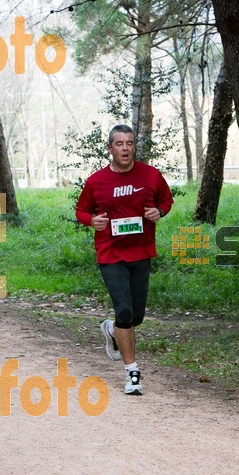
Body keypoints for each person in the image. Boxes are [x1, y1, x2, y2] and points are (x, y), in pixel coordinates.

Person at [75, 124, 173, 395]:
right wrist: (91, 220)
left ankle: (111, 329)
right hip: (110, 253)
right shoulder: (96, 181)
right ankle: (132, 374)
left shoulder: (151, 175)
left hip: (141, 252)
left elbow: (166, 201)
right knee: (125, 313)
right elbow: (82, 210)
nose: (125, 148)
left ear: (134, 147)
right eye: (119, 144)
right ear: (110, 149)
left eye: (129, 143)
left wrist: (159, 212)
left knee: (136, 317)